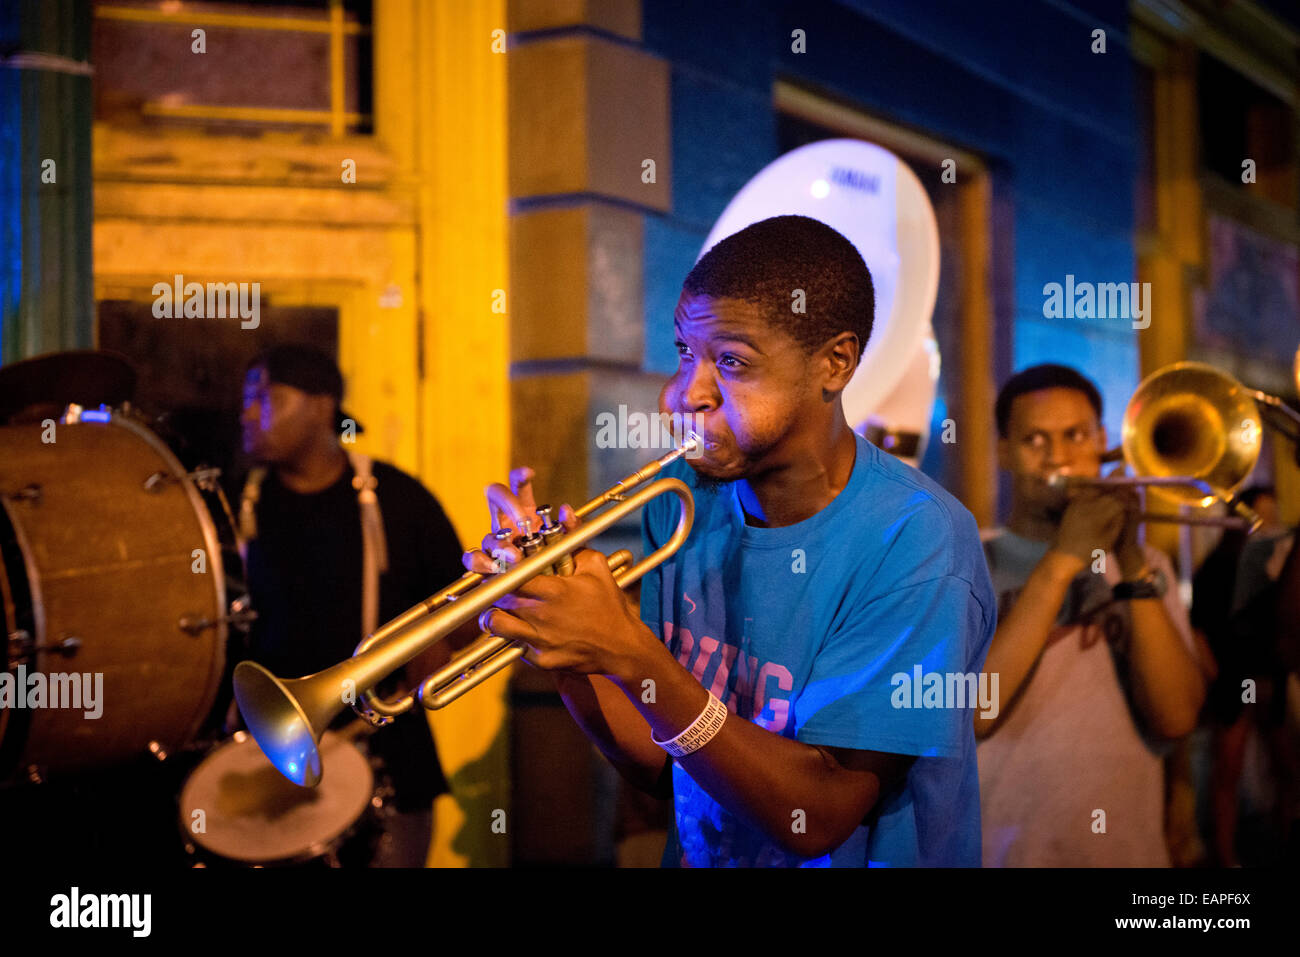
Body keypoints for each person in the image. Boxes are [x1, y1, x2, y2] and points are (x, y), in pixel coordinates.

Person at [466, 215, 996, 866]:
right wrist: (564, 643)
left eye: (733, 362)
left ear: (834, 363)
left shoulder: (917, 539)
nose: (686, 393)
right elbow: (663, 762)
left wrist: (627, 648)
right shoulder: (683, 499)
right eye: (685, 352)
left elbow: (817, 813)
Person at [237, 344, 467, 866]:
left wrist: (441, 649)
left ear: (321, 407)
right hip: (262, 756)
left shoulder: (396, 498)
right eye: (246, 400)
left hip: (387, 750)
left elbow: (468, 606)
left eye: (267, 397)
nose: (247, 413)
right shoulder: (236, 503)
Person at [976, 363, 1206, 866]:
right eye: (1034, 439)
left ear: (1103, 440)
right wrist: (1063, 560)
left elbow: (1177, 717)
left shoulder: (1147, 567)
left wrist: (1130, 558)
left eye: (1075, 436)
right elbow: (973, 713)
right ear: (1003, 452)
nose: (1058, 457)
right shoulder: (967, 561)